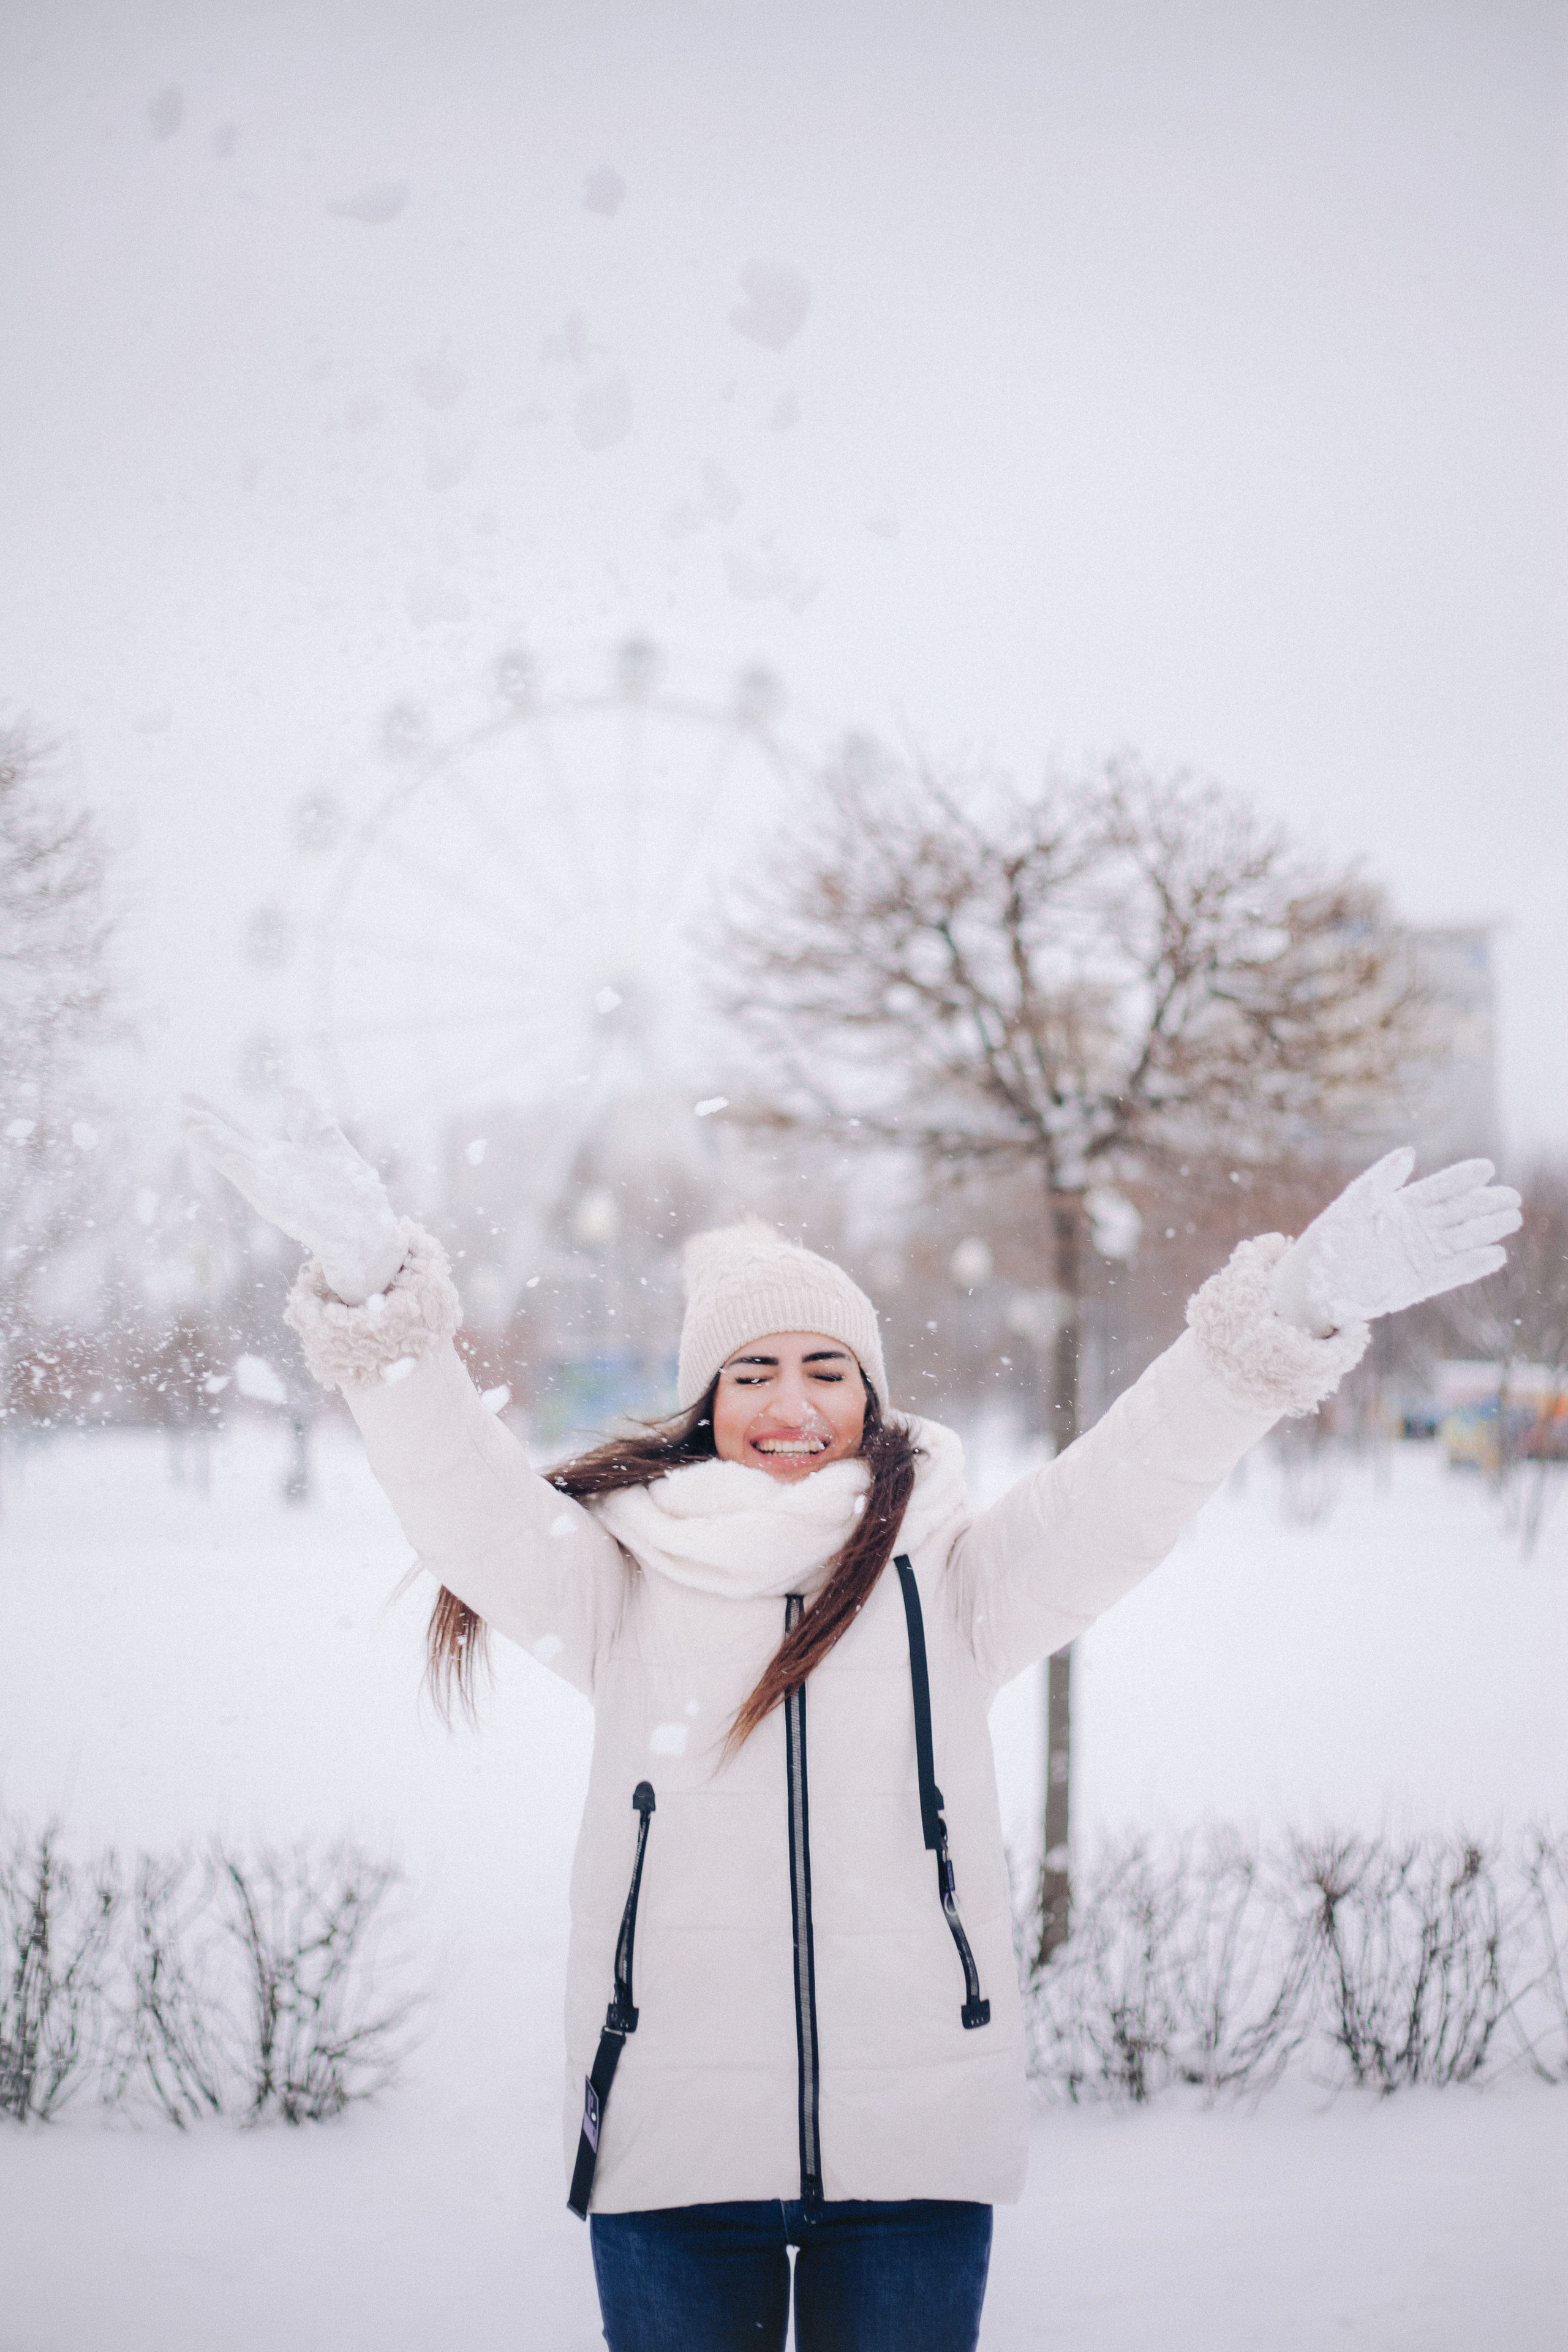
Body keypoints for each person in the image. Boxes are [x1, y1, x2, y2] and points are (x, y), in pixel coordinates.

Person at [186, 1091, 1520, 2352]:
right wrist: (378, 1302)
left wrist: (1276, 1324)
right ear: (707, 1404)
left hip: (913, 2147)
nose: (789, 1403)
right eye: (752, 1371)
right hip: (672, 2142)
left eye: (825, 1368)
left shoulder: (952, 1579)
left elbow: (1131, 1481)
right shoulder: (621, 1587)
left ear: (869, 1395)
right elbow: (459, 1497)